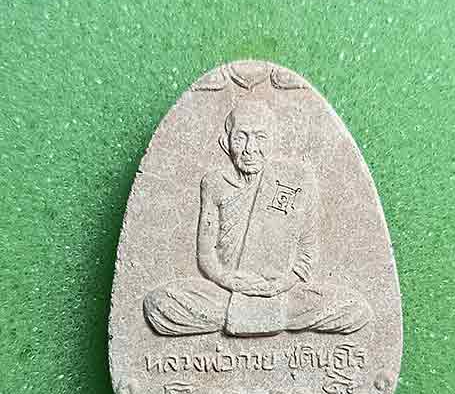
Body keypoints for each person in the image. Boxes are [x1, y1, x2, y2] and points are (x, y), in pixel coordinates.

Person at [144, 100, 372, 336]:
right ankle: (269, 319)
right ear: (225, 143)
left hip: (283, 293)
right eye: (240, 138)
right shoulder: (214, 184)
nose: (250, 148)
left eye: (260, 138)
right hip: (226, 293)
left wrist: (279, 285)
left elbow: (307, 252)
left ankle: (254, 317)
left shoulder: (297, 179)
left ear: (273, 142)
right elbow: (206, 256)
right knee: (159, 303)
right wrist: (230, 281)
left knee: (354, 307)